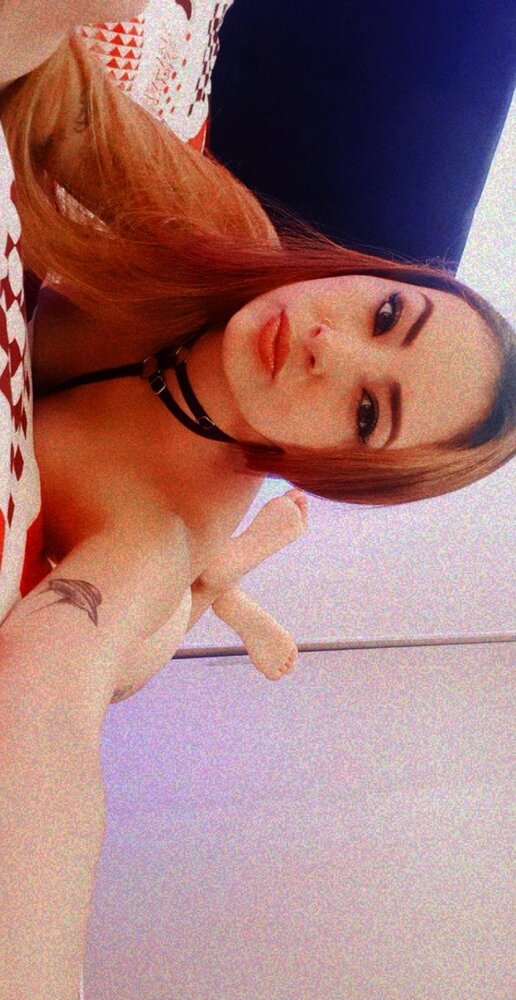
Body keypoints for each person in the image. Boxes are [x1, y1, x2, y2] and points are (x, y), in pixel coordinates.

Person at [0, 4, 514, 996]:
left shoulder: (159, 532)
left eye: (365, 411)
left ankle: (223, 582)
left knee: (150, 640)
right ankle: (231, 584)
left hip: (157, 597)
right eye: (386, 313)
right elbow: (54, 93)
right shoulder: (225, 235)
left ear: (336, 464)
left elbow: (50, 702)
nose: (329, 346)